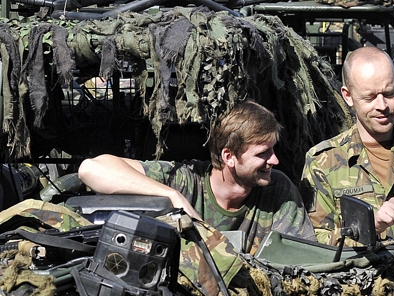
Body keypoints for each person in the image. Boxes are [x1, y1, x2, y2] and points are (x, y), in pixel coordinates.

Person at [78, 101, 314, 253]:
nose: (274, 160)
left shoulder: (278, 188)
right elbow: (91, 169)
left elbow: (304, 255)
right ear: (229, 156)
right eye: (263, 153)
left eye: (273, 150)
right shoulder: (185, 180)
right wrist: (171, 195)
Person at [300, 45, 394, 243]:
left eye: (389, 93)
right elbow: (314, 243)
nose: (382, 106)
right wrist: (368, 226)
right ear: (348, 96)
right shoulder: (322, 162)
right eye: (370, 97)